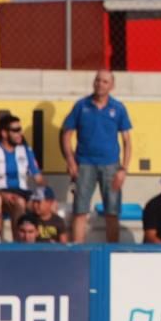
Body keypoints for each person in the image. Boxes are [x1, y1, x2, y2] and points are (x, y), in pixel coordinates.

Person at [61, 70, 133, 243]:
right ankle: (78, 251)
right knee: (80, 211)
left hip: (111, 166)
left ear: (112, 86)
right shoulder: (81, 105)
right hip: (84, 165)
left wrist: (123, 169)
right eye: (98, 80)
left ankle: (112, 252)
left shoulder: (118, 108)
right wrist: (71, 161)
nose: (100, 84)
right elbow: (66, 135)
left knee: (112, 212)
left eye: (105, 82)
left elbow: (127, 141)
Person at [0, 114, 44, 236]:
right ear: (4, 133)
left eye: (20, 129)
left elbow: (38, 178)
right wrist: (2, 194)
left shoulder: (26, 150)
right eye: (16, 130)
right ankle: (17, 246)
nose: (20, 133)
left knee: (48, 206)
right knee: (19, 202)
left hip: (23, 192)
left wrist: (46, 196)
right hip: (0, 191)